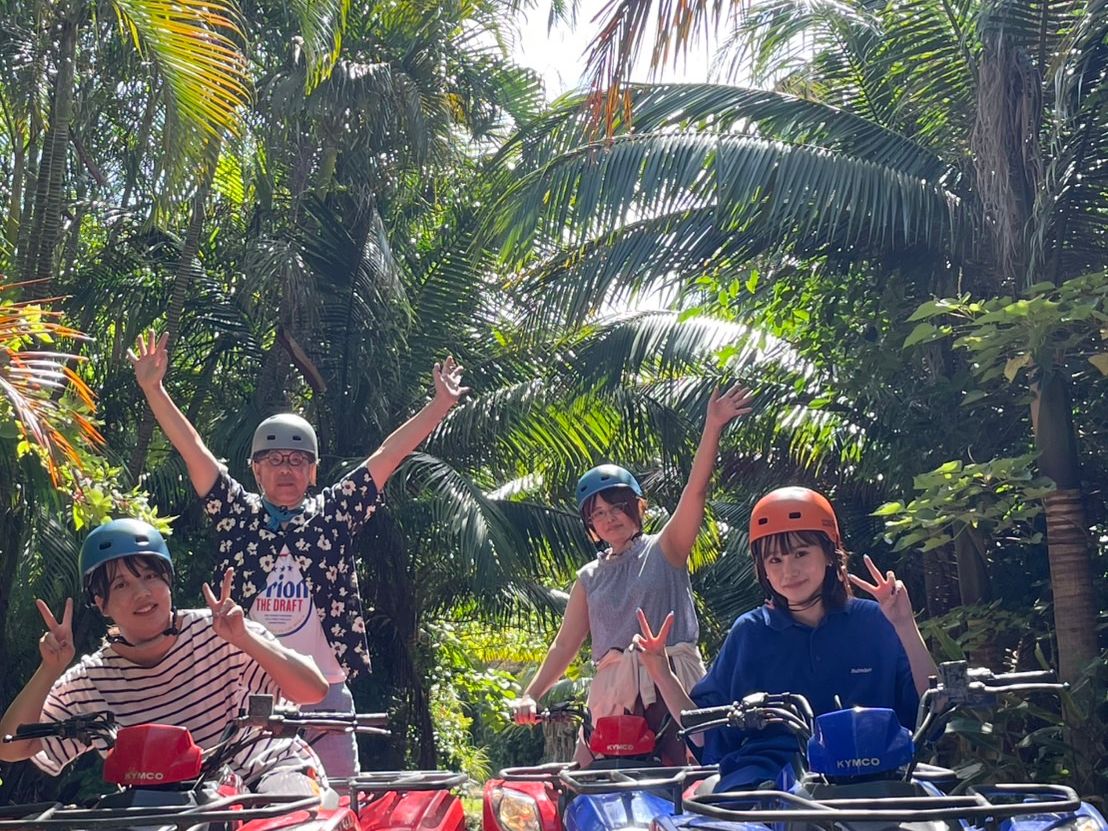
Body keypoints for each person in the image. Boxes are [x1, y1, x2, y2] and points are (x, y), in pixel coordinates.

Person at [129, 331, 467, 777]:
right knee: (245, 803)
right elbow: (193, 449)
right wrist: (154, 388)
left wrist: (439, 406)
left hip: (325, 693)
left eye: (296, 460)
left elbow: (389, 454)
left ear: (313, 471)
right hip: (249, 692)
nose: (285, 469)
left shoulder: (333, 513)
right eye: (274, 459)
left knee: (337, 799)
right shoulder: (238, 516)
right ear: (255, 469)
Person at [510, 384, 755, 766]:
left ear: (639, 507)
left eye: (618, 507)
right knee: (582, 784)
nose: (610, 518)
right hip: (613, 698)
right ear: (590, 525)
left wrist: (713, 426)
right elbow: (565, 644)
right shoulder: (589, 577)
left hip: (672, 684)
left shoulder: (666, 548)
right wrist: (531, 694)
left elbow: (695, 492)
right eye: (598, 513)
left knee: (697, 780)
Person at [633, 486, 939, 790]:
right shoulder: (750, 632)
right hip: (768, 782)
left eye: (800, 553)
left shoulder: (874, 620)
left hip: (876, 777)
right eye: (774, 560)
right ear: (763, 569)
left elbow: (930, 710)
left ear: (830, 554)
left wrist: (905, 624)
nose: (788, 570)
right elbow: (705, 733)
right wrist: (661, 672)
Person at [0, 519, 330, 793]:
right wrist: (49, 669)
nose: (142, 593)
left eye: (150, 576)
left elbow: (313, 690)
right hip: (173, 808)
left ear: (168, 582)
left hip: (270, 776)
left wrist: (246, 639)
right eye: (121, 585)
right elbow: (10, 746)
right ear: (101, 602)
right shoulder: (92, 681)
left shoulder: (222, 631)